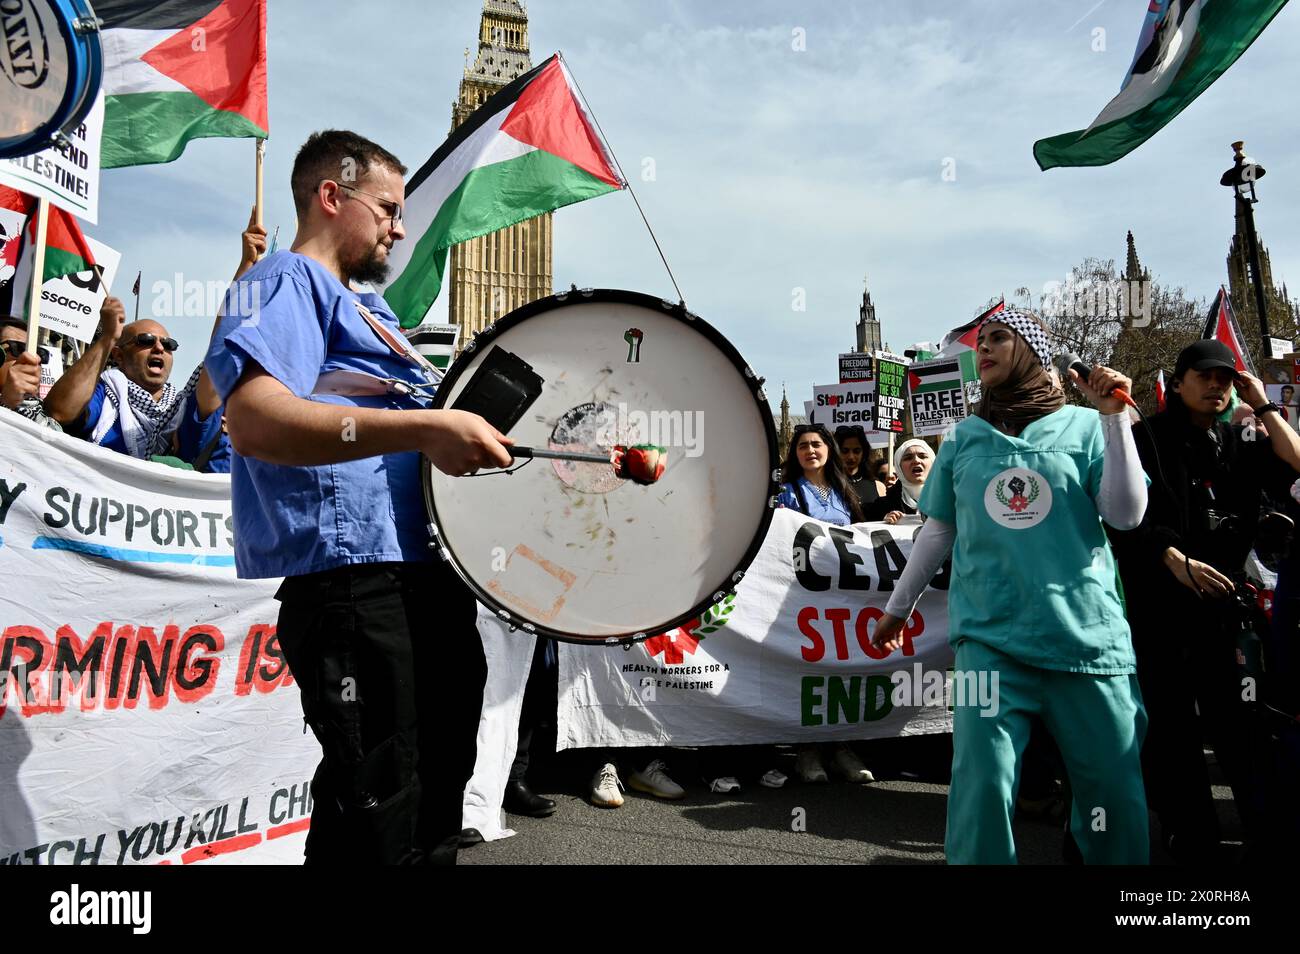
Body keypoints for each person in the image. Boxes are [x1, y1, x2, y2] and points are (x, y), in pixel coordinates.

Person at [205, 129, 514, 864]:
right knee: (378, 817)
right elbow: (252, 420)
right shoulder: (283, 277)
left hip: (422, 580)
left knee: (434, 804)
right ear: (332, 195)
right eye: (388, 208)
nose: (400, 227)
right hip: (357, 584)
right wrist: (425, 424)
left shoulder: (375, 317)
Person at [873, 308, 1150, 864]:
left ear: (1032, 350)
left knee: (1112, 794)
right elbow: (939, 530)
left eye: (1000, 338)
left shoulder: (1086, 424)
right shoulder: (963, 439)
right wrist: (896, 609)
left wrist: (1115, 420)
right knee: (980, 787)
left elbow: (1125, 515)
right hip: (990, 640)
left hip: (1085, 640)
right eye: (982, 343)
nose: (987, 349)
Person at [1109, 339, 1300, 863]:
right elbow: (1122, 516)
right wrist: (1171, 556)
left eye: (1224, 378)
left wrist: (1261, 403)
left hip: (1223, 612)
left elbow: (1298, 466)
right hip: (1161, 609)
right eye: (1206, 376)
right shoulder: (1143, 435)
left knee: (1242, 729)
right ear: (1177, 382)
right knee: (1172, 733)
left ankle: (1265, 829)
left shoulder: (1240, 438)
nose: (1217, 385)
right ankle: (1190, 836)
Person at [776, 423, 875, 784]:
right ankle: (808, 751)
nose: (810, 450)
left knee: (842, 670)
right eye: (802, 445)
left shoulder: (843, 491)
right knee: (811, 670)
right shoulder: (788, 492)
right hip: (804, 595)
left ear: (828, 449)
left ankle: (841, 747)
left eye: (816, 444)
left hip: (842, 597)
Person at [44, 299, 201, 459]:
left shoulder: (183, 408)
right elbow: (59, 413)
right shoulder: (105, 395)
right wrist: (107, 338)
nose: (159, 348)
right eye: (146, 340)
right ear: (119, 355)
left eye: (168, 344)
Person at [0, 317, 61, 429]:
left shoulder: (50, 424)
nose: (33, 358)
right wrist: (7, 404)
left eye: (39, 353)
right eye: (18, 348)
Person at [869, 438, 934, 523]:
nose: (916, 461)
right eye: (908, 458)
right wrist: (883, 521)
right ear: (899, 467)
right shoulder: (882, 506)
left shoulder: (950, 497)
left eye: (922, 456)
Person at [836, 424, 883, 514]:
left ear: (864, 452)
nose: (851, 457)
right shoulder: (827, 485)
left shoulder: (878, 486)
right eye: (845, 451)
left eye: (856, 451)